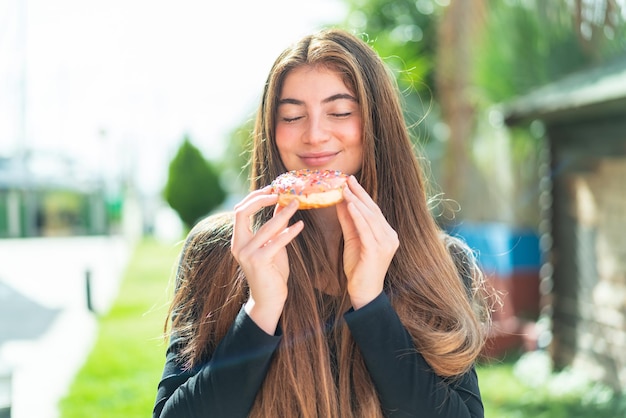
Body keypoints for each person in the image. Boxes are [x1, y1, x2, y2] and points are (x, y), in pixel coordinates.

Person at [153, 27, 494, 418]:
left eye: (340, 112)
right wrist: (260, 309)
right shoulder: (215, 253)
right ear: (271, 130)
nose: (314, 135)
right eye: (293, 116)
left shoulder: (443, 263)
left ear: (375, 127)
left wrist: (371, 303)